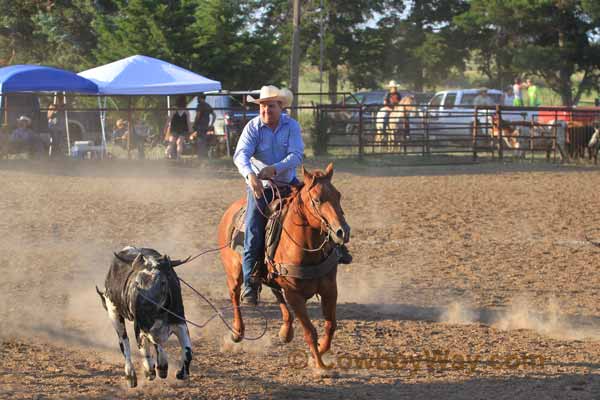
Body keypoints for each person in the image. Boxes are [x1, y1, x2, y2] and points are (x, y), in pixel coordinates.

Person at [190, 93, 215, 159]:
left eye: (198, 98)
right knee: (203, 140)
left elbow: (198, 115)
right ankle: (203, 155)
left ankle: (200, 155)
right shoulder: (208, 105)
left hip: (200, 125)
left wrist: (195, 124)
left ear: (200, 98)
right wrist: (211, 124)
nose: (197, 99)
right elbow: (214, 115)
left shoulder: (200, 105)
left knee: (200, 141)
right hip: (206, 125)